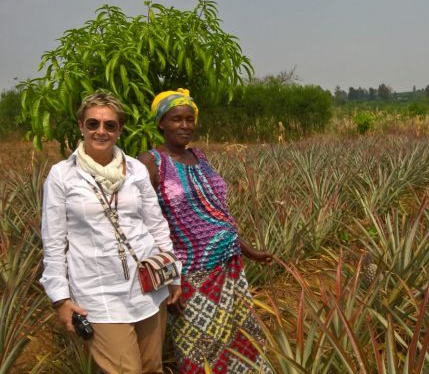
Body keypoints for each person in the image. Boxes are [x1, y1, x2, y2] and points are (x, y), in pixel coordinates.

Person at [40, 91, 181, 374]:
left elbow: (155, 224)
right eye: (93, 124)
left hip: (148, 285)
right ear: (81, 126)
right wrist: (61, 299)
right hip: (98, 291)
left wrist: (173, 274)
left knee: (152, 367)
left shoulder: (136, 169)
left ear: (120, 129)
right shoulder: (62, 175)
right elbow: (53, 242)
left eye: (110, 125)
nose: (101, 131)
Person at [137, 89, 273, 373]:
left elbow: (218, 216)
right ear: (161, 123)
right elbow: (142, 224)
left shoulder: (199, 156)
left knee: (240, 339)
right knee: (199, 348)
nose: (185, 125)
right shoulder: (150, 162)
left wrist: (250, 251)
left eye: (190, 119)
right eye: (176, 119)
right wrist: (168, 280)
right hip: (190, 275)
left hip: (228, 266)